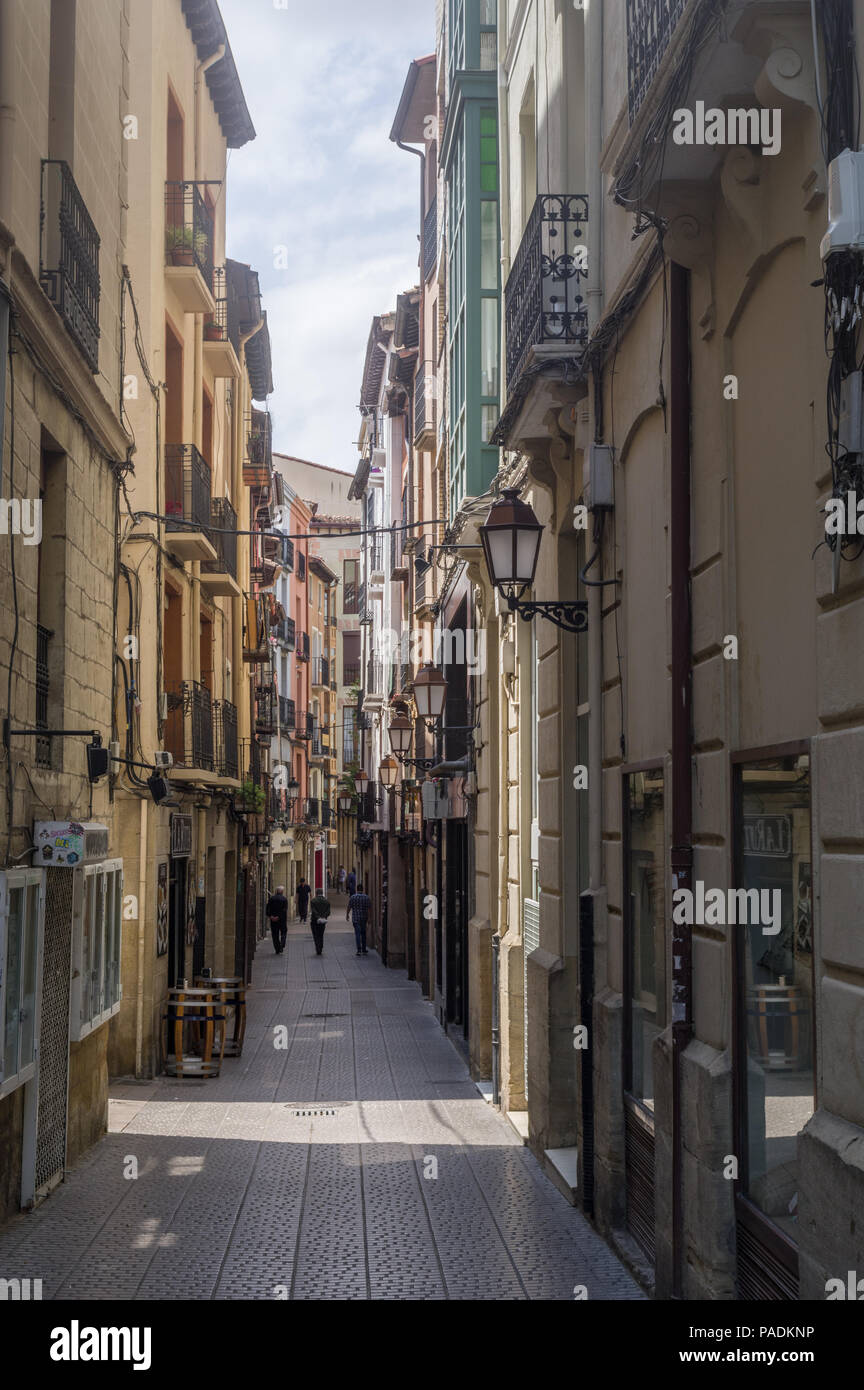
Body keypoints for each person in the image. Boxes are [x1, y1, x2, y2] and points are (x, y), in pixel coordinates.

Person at [346, 881, 371, 957]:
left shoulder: (353, 897)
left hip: (355, 918)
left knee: (357, 934)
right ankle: (364, 949)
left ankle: (359, 950)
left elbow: (349, 906)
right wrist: (369, 918)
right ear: (363, 889)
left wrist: (347, 915)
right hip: (364, 918)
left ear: (357, 889)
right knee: (363, 933)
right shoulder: (366, 897)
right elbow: (369, 909)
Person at [267, 885, 289, 955]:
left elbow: (267, 909)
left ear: (276, 891)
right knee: (284, 932)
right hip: (282, 920)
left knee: (275, 934)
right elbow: (284, 910)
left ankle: (277, 949)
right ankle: (282, 944)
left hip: (273, 920)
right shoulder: (284, 899)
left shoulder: (271, 899)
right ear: (282, 892)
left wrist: (271, 916)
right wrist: (279, 917)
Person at [310, 889, 331, 955]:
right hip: (323, 921)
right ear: (322, 893)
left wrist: (318, 917)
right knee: (321, 934)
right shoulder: (327, 901)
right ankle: (321, 946)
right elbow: (328, 912)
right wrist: (323, 917)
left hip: (314, 921)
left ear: (316, 893)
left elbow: (313, 910)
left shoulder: (313, 901)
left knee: (315, 935)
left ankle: (318, 947)